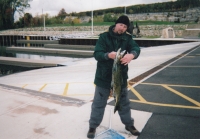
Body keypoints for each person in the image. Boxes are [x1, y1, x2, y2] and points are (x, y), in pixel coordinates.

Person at [87, 15, 141, 138]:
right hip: (103, 78)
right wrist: (108, 55)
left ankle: (129, 124)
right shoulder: (104, 37)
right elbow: (97, 54)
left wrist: (132, 55)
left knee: (124, 103)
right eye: (121, 25)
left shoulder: (127, 38)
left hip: (120, 78)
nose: (122, 28)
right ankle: (92, 126)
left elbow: (136, 48)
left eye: (125, 26)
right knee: (98, 104)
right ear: (116, 24)